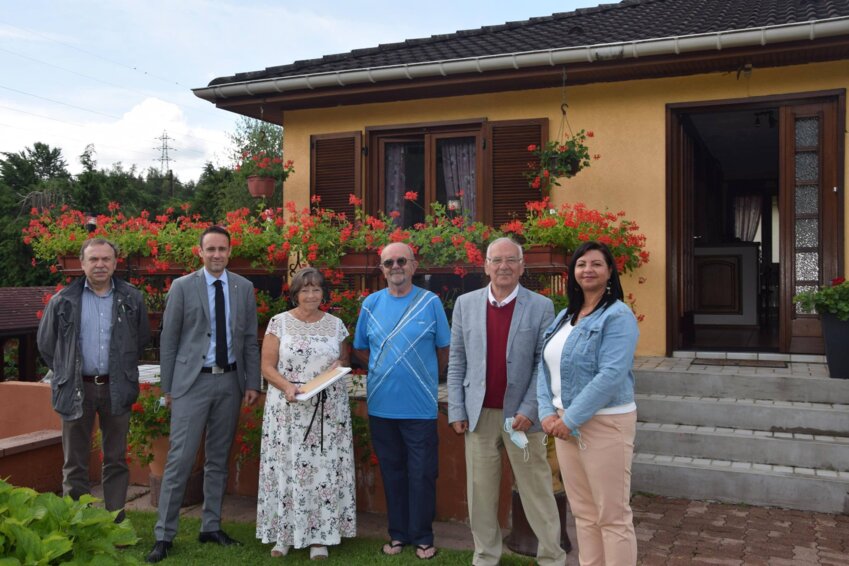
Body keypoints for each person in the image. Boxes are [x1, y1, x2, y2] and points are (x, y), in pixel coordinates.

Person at [447, 237, 566, 566]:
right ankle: (485, 557)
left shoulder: (541, 306)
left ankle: (552, 558)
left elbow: (542, 364)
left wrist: (530, 410)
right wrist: (457, 408)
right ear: (485, 265)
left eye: (511, 260)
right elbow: (457, 361)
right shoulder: (466, 304)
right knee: (481, 493)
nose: (503, 266)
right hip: (479, 416)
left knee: (537, 490)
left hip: (523, 419)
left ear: (522, 266)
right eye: (496, 260)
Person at [147, 226, 261, 563]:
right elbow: (168, 341)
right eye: (210, 249)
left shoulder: (244, 288)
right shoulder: (183, 287)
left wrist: (251, 383)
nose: (216, 254)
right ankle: (163, 535)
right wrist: (168, 388)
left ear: (230, 251)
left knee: (218, 459)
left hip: (229, 383)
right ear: (200, 252)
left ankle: (211, 525)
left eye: (222, 249)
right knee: (179, 460)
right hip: (190, 384)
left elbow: (249, 339)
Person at [537, 241, 639, 566]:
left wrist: (570, 420)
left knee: (612, 516)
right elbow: (542, 366)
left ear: (610, 272)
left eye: (596, 264)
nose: (588, 270)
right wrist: (546, 413)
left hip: (604, 424)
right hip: (565, 424)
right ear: (573, 272)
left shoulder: (618, 315)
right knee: (583, 514)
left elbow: (611, 375)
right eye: (581, 264)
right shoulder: (565, 316)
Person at [37, 238, 150, 523]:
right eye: (94, 259)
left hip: (116, 388)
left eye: (106, 259)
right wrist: (67, 371)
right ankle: (77, 524)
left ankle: (115, 522)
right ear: (82, 263)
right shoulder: (63, 300)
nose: (100, 265)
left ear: (115, 263)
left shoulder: (131, 299)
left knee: (115, 459)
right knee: (74, 462)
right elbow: (47, 346)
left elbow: (139, 340)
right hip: (76, 388)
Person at [352, 242, 450, 561]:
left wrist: (422, 377)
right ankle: (397, 534)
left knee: (422, 472)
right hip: (381, 406)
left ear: (413, 265)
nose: (395, 266)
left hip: (420, 407)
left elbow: (444, 350)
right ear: (381, 269)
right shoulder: (370, 304)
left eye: (401, 260)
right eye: (388, 262)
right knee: (392, 472)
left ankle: (423, 536)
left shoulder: (430, 302)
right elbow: (361, 348)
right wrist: (383, 371)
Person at [255, 267, 356, 560]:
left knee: (323, 471)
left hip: (327, 409)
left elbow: (343, 360)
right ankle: (283, 534)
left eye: (316, 289)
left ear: (323, 293)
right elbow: (267, 367)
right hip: (288, 407)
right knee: (286, 468)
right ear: (295, 293)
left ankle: (320, 537)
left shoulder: (336, 325)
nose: (311, 295)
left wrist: (338, 364)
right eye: (305, 289)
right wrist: (287, 387)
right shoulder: (279, 324)